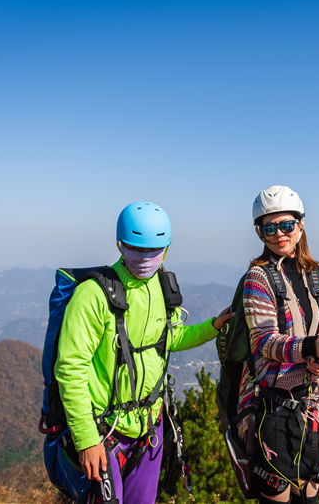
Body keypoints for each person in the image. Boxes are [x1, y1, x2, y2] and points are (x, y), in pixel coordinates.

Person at [54, 201, 233, 504]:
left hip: (150, 429)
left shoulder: (161, 289)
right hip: (103, 432)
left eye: (154, 250)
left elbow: (171, 338)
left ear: (166, 249)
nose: (145, 258)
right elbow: (70, 369)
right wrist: (85, 440)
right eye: (136, 248)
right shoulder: (93, 295)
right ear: (120, 245)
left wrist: (213, 326)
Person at [237, 186, 319, 504]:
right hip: (274, 407)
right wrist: (311, 349)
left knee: (312, 494)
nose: (279, 234)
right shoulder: (257, 277)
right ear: (260, 232)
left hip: (313, 405)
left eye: (286, 225)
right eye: (269, 228)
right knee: (277, 496)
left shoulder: (318, 273)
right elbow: (264, 341)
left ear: (300, 224)